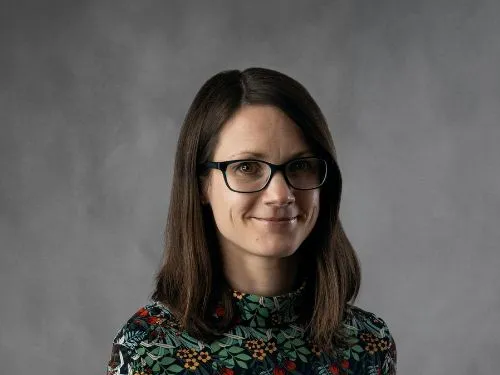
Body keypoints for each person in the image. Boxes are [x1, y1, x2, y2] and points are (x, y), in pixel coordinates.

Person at [106, 67, 397, 375]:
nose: (280, 194)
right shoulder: (149, 348)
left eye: (299, 165)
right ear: (202, 184)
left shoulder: (368, 343)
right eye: (247, 167)